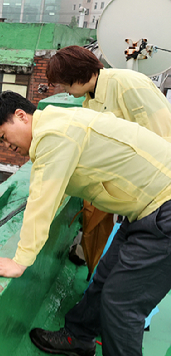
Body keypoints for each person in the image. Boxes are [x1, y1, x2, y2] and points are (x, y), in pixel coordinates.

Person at [0, 91, 171, 356]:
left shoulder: (54, 136)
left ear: (21, 115)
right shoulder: (57, 123)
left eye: (3, 136)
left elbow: (43, 197)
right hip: (146, 209)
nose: (7, 146)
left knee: (123, 299)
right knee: (104, 279)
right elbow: (54, 192)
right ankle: (78, 338)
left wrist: (20, 260)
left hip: (163, 208)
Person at [46, 45, 171, 276]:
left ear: (77, 75)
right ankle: (92, 267)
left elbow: (162, 136)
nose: (63, 89)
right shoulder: (89, 101)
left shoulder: (127, 84)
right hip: (133, 191)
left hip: (158, 193)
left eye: (63, 83)